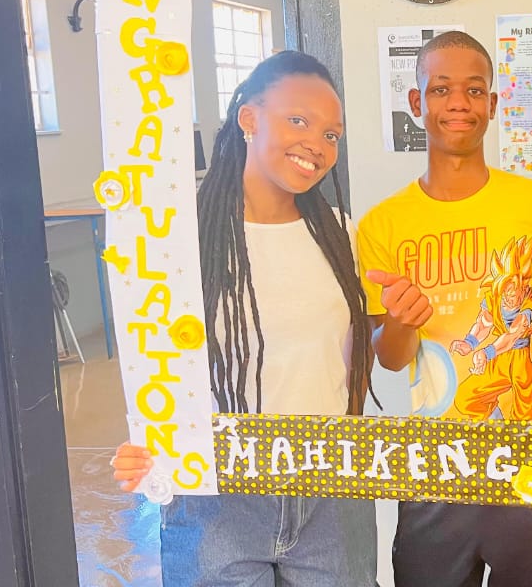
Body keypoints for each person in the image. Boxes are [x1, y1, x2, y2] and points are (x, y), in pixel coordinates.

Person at [110, 51, 378, 586]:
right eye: (298, 120)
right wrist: (146, 442)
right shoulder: (179, 239)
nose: (317, 145)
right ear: (249, 118)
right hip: (215, 494)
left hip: (329, 485)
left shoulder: (342, 235)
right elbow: (154, 362)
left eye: (332, 135)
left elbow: (351, 360)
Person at [356, 31, 532, 587]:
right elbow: (388, 360)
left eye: (473, 90)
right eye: (440, 89)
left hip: (529, 447)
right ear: (417, 104)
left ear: (492, 105)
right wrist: (403, 325)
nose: (458, 102)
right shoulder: (381, 225)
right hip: (437, 459)